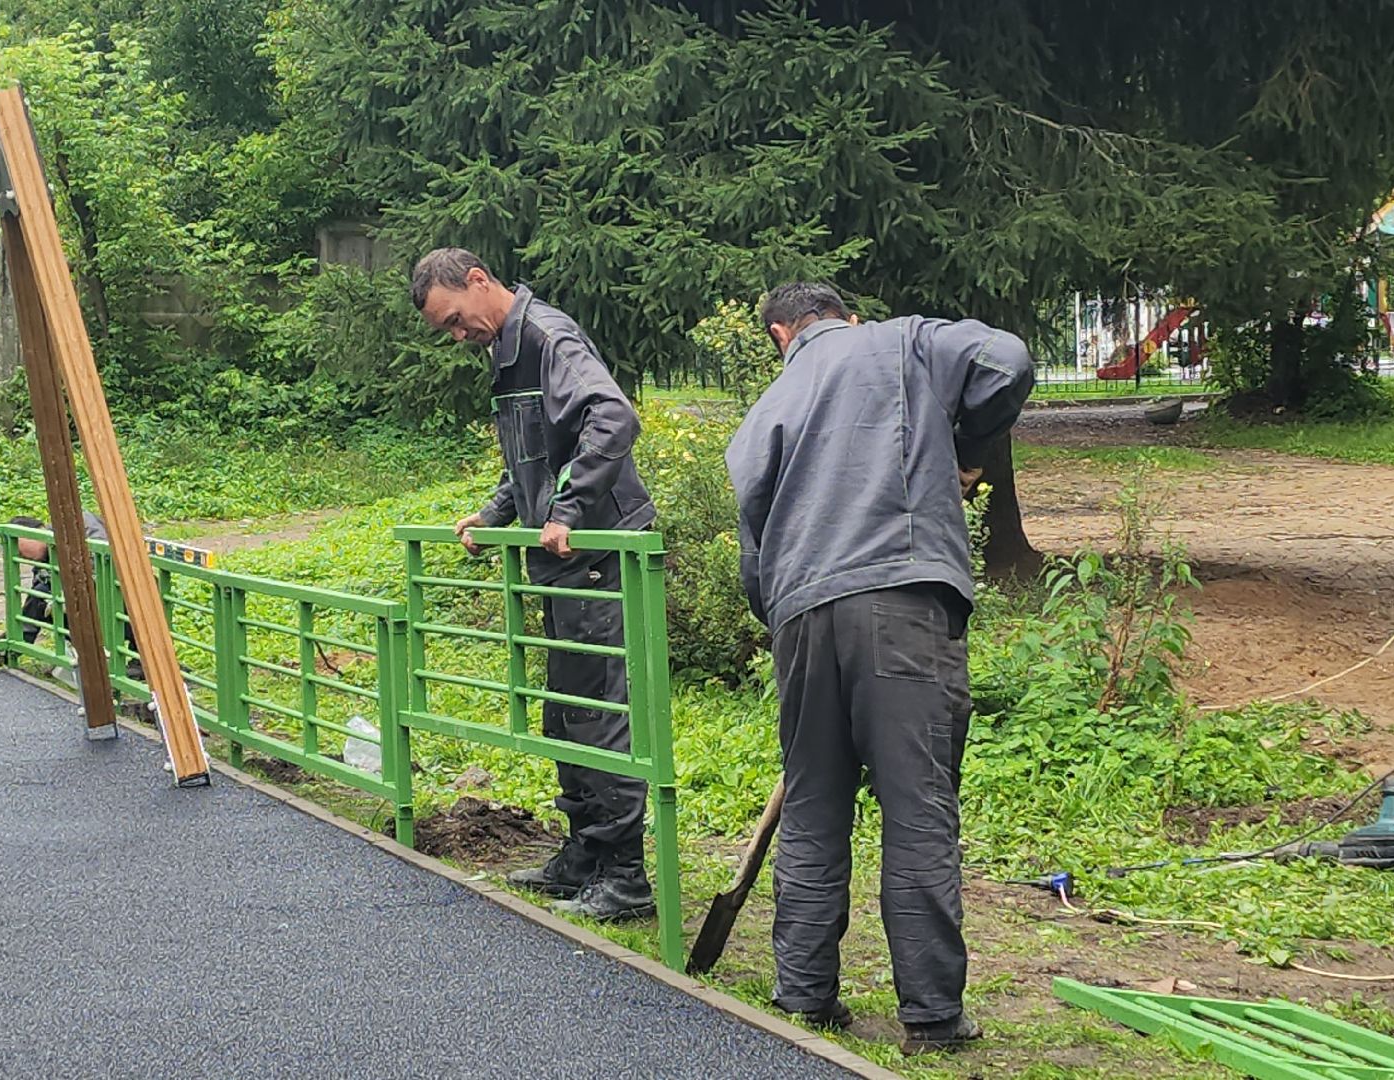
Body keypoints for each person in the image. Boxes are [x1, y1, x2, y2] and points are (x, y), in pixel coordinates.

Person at [724, 283, 1034, 1053]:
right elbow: (1008, 361)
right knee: (916, 807)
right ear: (846, 318)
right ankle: (931, 1019)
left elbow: (752, 557)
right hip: (900, 602)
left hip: (799, 616)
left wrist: (793, 626)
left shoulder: (766, 408)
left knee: (814, 806)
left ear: (779, 334)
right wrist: (962, 452)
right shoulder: (902, 340)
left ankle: (802, 995)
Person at [411, 247, 657, 921]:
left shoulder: (547, 337)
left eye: (458, 320)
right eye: (448, 331)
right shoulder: (506, 351)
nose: (459, 336)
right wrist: (496, 511)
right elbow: (535, 453)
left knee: (595, 712)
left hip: (596, 551)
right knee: (563, 706)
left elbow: (612, 418)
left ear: (480, 282)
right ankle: (583, 852)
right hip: (561, 558)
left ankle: (626, 875)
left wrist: (568, 508)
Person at [7, 512, 143, 681]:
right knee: (41, 597)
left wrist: (72, 588)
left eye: (20, 548)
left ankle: (139, 661)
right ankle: (17, 644)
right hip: (87, 598)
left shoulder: (80, 524)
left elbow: (103, 555)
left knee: (128, 607)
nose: (21, 555)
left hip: (123, 587)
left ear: (35, 532)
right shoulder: (45, 556)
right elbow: (37, 592)